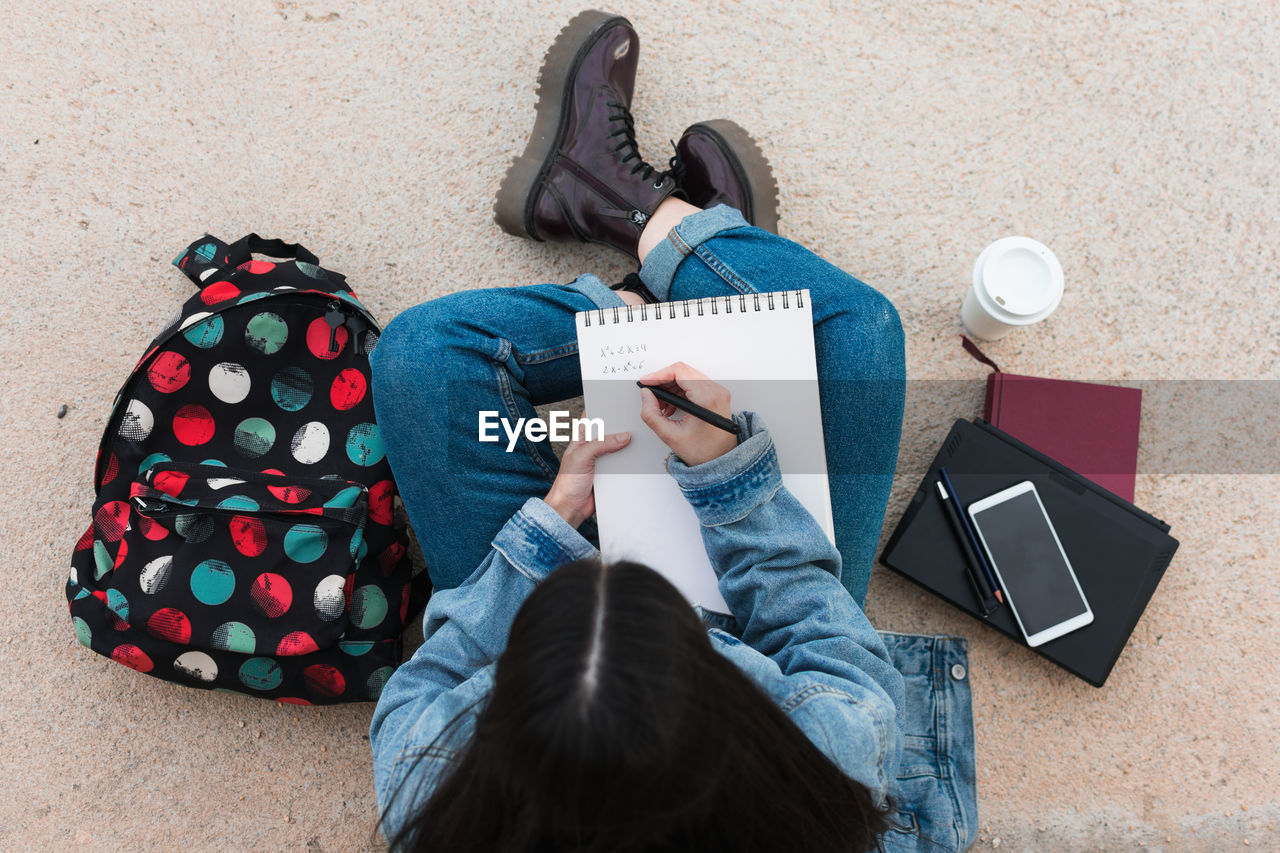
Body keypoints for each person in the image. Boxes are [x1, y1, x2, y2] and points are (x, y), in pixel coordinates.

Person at [368, 10, 977, 852]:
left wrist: (550, 526)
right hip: (760, 645)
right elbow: (819, 641)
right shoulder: (822, 754)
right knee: (856, 332)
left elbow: (418, 691)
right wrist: (732, 486)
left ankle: (647, 262)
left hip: (581, 610)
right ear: (726, 696)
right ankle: (656, 229)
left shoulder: (437, 790)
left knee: (422, 357)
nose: (612, 561)